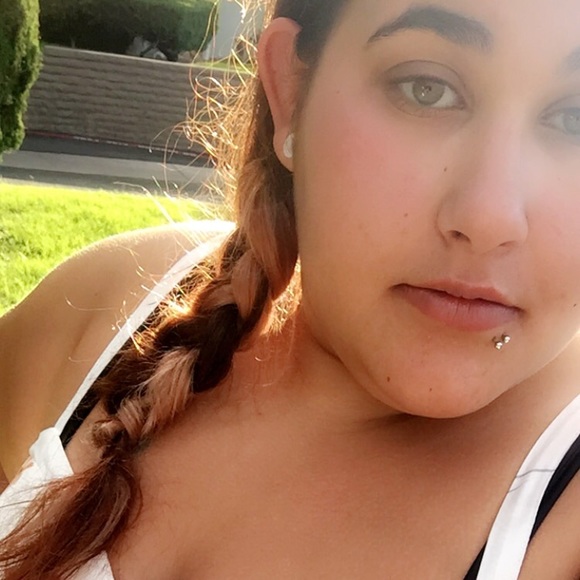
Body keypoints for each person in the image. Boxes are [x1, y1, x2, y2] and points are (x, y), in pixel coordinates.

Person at [1, 0, 580, 577]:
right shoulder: (117, 303)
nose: (489, 217)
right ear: (291, 92)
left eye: (575, 119)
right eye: (426, 89)